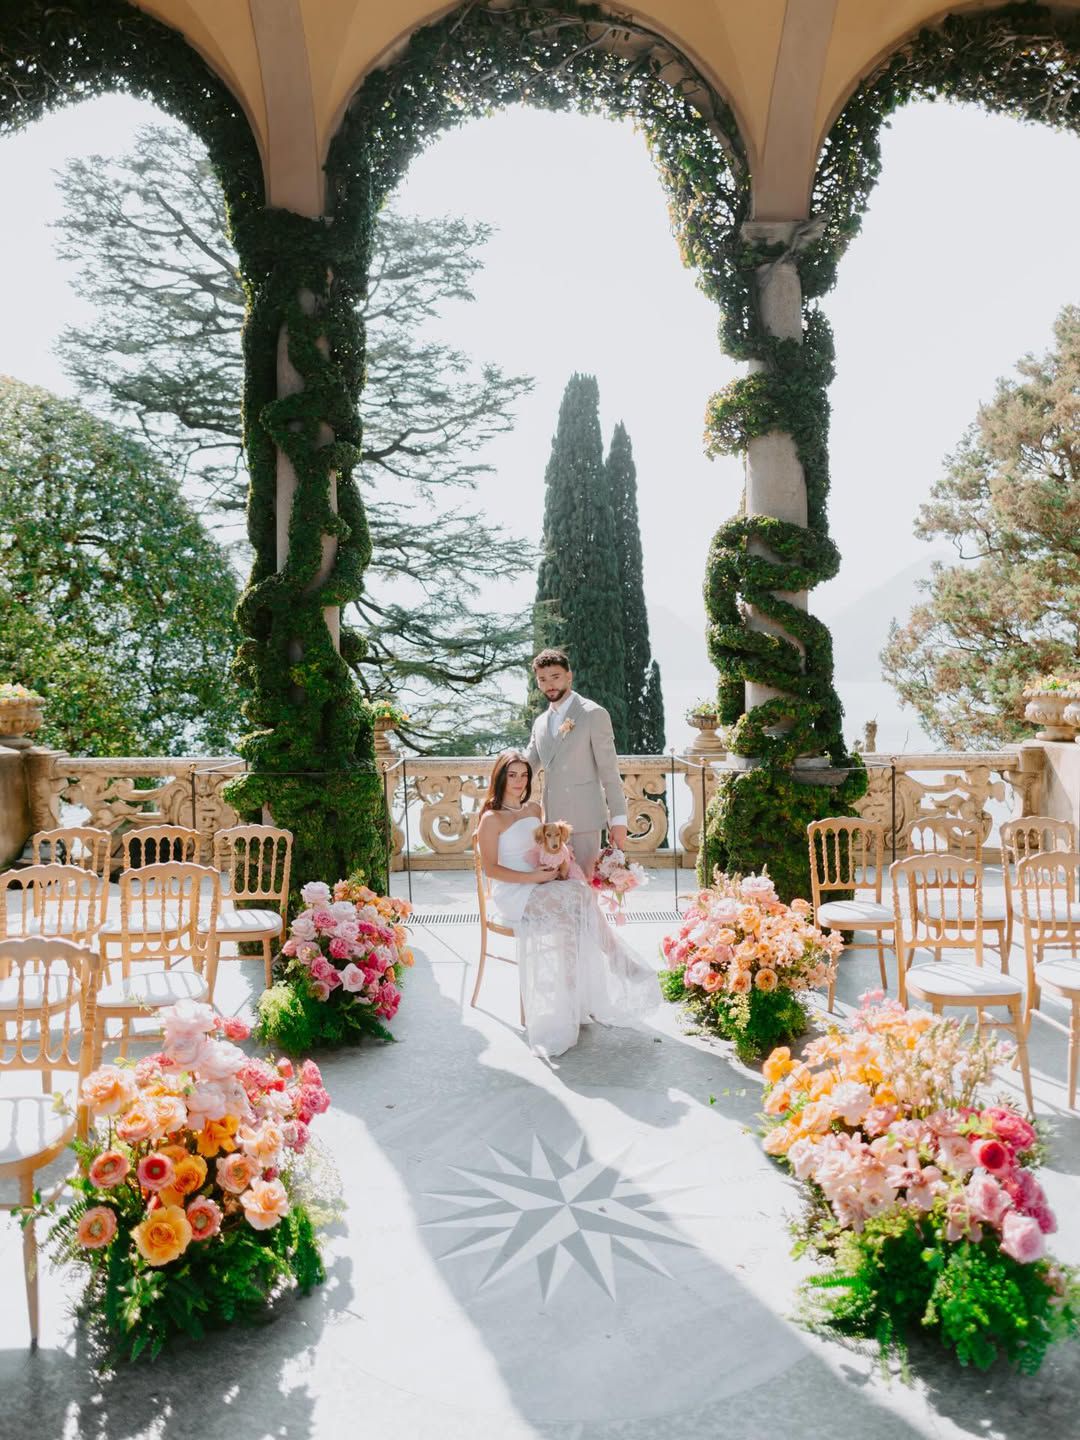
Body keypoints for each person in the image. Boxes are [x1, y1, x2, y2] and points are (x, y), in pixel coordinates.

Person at [475, 749, 657, 1058]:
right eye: (512, 775)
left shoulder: (534, 809)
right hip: (515, 891)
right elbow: (490, 869)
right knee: (579, 896)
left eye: (524, 775)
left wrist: (557, 867)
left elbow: (547, 846)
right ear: (500, 777)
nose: (519, 782)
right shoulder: (491, 819)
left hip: (543, 882)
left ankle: (572, 1001)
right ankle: (614, 959)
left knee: (576, 907)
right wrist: (534, 878)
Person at [525, 648, 626, 878]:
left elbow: (610, 771)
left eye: (555, 677)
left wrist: (618, 819)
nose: (549, 684)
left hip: (584, 820)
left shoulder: (593, 714)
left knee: (585, 890)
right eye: (542, 679)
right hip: (551, 828)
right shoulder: (540, 723)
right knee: (556, 892)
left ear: (569, 676)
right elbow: (526, 767)